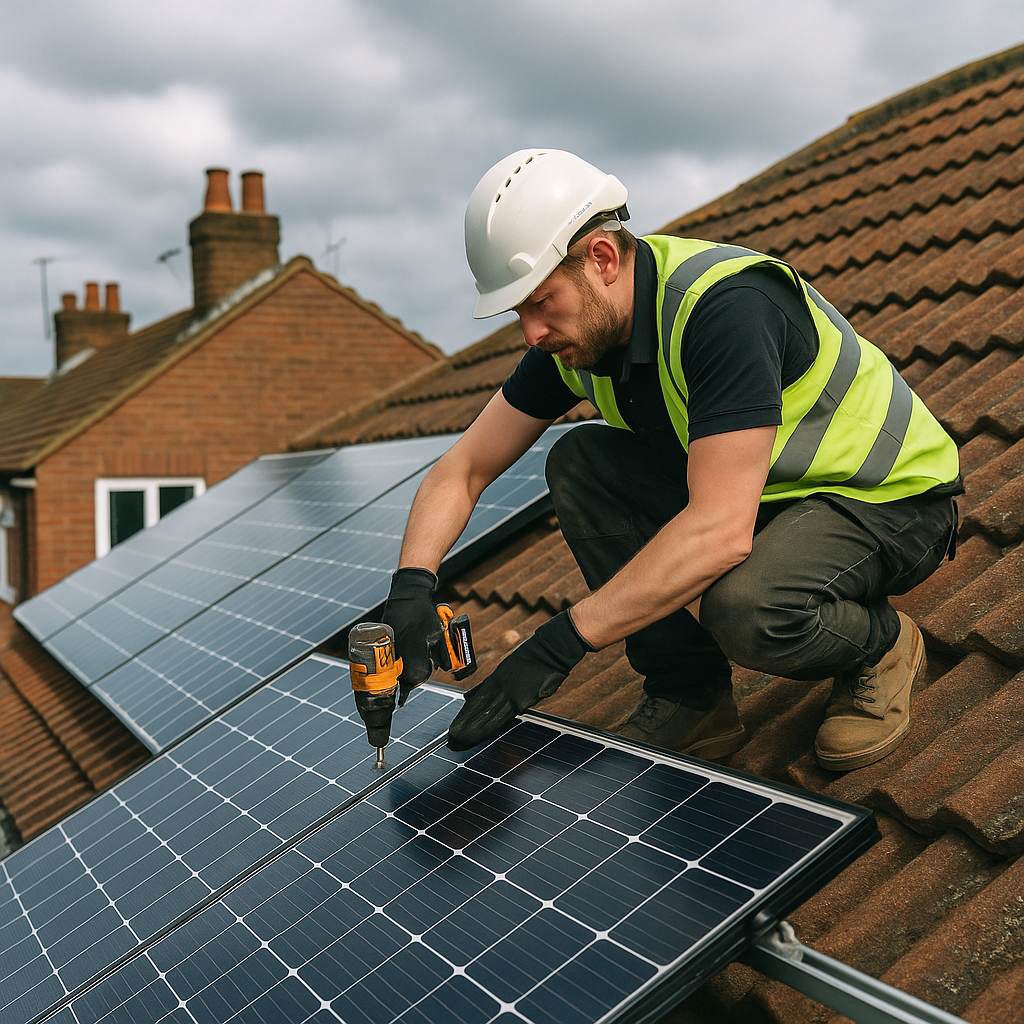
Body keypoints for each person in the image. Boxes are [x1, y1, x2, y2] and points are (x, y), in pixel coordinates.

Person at [382, 149, 961, 771]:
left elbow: (718, 530)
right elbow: (463, 468)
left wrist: (559, 644)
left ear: (601, 258)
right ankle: (692, 696)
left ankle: (880, 646)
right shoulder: (584, 334)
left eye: (539, 302)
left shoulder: (724, 307)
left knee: (745, 609)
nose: (530, 333)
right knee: (580, 460)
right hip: (774, 499)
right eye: (518, 312)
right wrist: (412, 585)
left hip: (884, 501)